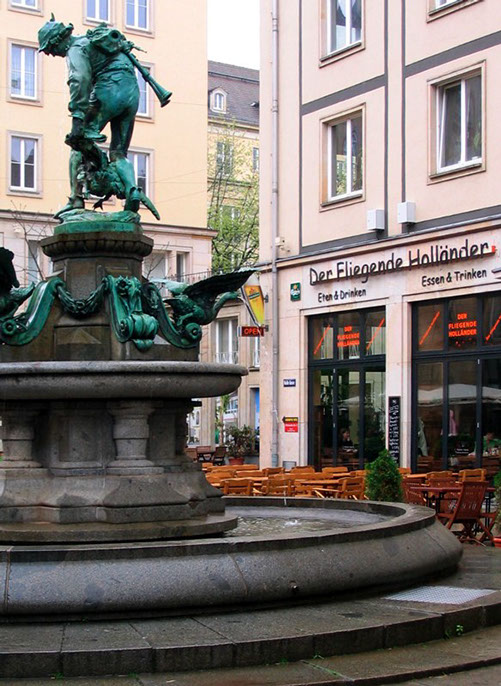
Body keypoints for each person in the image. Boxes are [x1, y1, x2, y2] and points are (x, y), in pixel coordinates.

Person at [38, 15, 158, 218]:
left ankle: (76, 199)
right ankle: (132, 191)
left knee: (77, 143)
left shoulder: (75, 49)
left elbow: (79, 79)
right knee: (118, 153)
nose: (51, 54)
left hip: (109, 91)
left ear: (58, 41)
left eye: (50, 48)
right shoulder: (91, 41)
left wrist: (78, 117)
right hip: (132, 94)